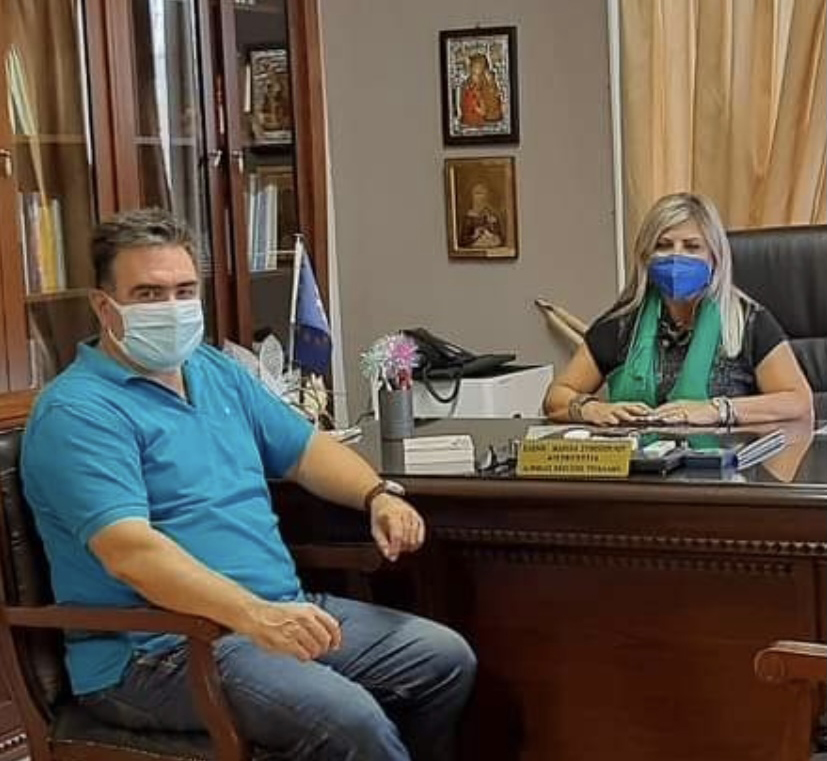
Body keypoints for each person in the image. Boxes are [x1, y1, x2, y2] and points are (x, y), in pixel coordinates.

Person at [21, 208, 476, 761]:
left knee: (440, 659)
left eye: (184, 291)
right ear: (103, 305)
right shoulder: (78, 412)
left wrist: (376, 494)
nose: (171, 308)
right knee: (349, 720)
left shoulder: (213, 370)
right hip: (156, 651)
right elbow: (130, 553)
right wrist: (255, 616)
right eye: (148, 294)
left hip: (273, 611)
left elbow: (305, 451)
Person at [543, 192, 812, 426]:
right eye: (663, 245)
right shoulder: (623, 323)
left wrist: (717, 410)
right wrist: (591, 409)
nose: (676, 256)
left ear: (715, 257)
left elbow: (798, 401)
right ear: (646, 256)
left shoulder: (746, 321)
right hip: (640, 463)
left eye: (692, 247)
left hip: (727, 464)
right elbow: (556, 398)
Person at [459, 53, 503, 127]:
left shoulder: (487, 80)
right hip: (472, 114)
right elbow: (465, 98)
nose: (475, 69)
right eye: (474, 67)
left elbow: (492, 96)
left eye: (478, 67)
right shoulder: (468, 82)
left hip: (487, 114)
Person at [460, 182, 503, 248]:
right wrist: (475, 235)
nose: (480, 197)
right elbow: (463, 240)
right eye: (477, 193)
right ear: (472, 197)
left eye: (483, 193)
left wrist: (491, 232)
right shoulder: (468, 217)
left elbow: (500, 238)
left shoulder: (492, 215)